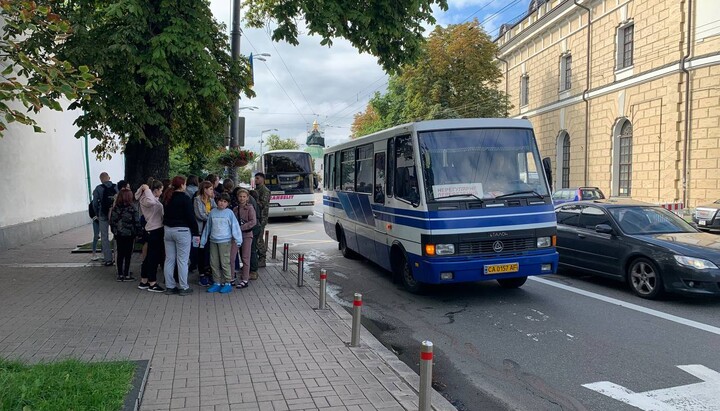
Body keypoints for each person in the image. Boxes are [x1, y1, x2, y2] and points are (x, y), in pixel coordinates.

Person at [162, 176, 199, 296]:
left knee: (169, 259)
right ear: (182, 185)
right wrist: (195, 230)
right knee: (182, 260)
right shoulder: (185, 199)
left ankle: (170, 286)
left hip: (168, 230)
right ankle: (183, 286)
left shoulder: (167, 197)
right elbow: (190, 216)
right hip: (182, 231)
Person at [200, 193, 242, 294]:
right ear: (216, 201)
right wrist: (203, 241)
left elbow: (235, 227)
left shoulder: (229, 213)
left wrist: (238, 239)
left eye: (224, 201)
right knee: (213, 263)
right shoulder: (213, 212)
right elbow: (207, 228)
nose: (222, 203)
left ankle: (227, 282)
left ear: (227, 203)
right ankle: (217, 282)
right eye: (220, 201)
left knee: (225, 262)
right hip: (213, 241)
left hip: (225, 241)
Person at [135, 179, 166, 292]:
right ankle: (152, 282)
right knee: (153, 257)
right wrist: (147, 189)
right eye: (161, 190)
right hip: (154, 230)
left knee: (149, 257)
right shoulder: (147, 199)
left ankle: (144, 280)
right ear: (156, 190)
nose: (162, 192)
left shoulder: (151, 199)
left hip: (154, 229)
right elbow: (151, 202)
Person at [109, 188, 142, 282]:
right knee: (128, 255)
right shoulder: (132, 208)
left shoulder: (116, 208)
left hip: (119, 234)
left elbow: (112, 221)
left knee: (120, 254)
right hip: (129, 234)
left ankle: (120, 274)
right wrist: (139, 232)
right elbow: (136, 222)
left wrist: (115, 231)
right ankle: (126, 274)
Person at [232, 188, 256, 289]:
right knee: (231, 256)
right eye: (240, 196)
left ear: (247, 198)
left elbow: (253, 222)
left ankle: (245, 279)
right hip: (235, 236)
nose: (242, 198)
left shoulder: (250, 208)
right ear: (237, 197)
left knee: (245, 257)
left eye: (244, 197)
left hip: (246, 235)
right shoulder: (235, 209)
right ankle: (231, 277)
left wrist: (240, 228)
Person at [92, 172, 117, 266]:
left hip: (103, 214)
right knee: (116, 236)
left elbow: (94, 203)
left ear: (101, 179)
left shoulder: (98, 188)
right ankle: (117, 257)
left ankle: (108, 259)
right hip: (114, 214)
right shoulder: (116, 187)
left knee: (104, 236)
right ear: (109, 178)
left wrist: (97, 213)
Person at [194, 181, 216, 286]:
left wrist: (210, 215)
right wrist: (210, 216)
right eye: (210, 189)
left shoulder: (211, 200)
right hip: (200, 230)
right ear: (205, 189)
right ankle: (202, 274)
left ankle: (209, 273)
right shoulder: (197, 200)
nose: (212, 191)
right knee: (201, 252)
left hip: (210, 230)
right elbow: (200, 215)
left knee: (209, 252)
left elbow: (216, 210)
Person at [254, 172, 270, 271]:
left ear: (263, 179)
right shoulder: (257, 189)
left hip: (261, 218)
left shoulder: (265, 190)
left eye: (258, 178)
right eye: (255, 178)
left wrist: (254, 199)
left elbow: (263, 204)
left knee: (259, 239)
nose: (256, 180)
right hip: (257, 217)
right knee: (257, 239)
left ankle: (262, 258)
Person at [248, 190, 261, 279]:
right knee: (252, 250)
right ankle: (251, 269)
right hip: (255, 227)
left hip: (253, 228)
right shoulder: (253, 201)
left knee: (252, 250)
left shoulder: (250, 204)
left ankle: (253, 271)